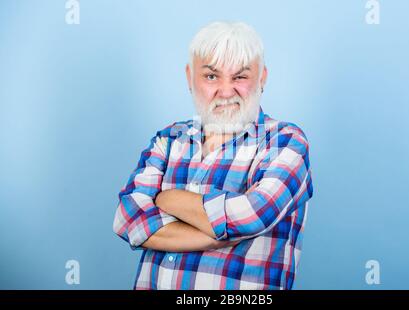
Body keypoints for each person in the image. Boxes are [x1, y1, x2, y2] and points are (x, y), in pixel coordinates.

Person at [113, 21, 313, 290]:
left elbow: (252, 215)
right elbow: (127, 219)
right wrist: (217, 235)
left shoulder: (285, 142)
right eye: (211, 76)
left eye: (240, 77)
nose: (226, 91)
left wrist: (167, 199)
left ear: (262, 78)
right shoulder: (168, 139)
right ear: (189, 78)